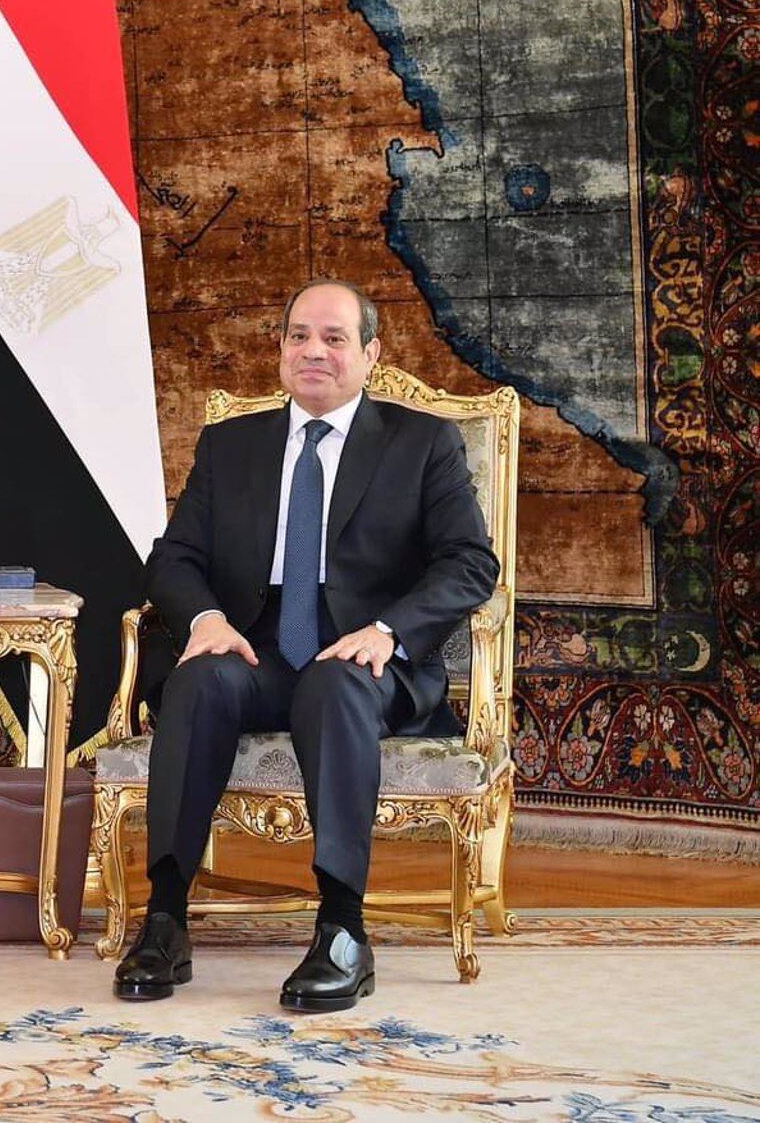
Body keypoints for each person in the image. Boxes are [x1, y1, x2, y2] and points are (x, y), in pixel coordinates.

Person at [113, 279, 498, 1011]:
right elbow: (174, 557)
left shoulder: (421, 443)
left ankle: (342, 931)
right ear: (281, 348)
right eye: (298, 336)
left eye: (333, 337)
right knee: (198, 680)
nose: (313, 350)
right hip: (255, 647)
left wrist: (388, 631)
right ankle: (164, 919)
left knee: (335, 683)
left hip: (365, 656)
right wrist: (203, 620)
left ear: (370, 353)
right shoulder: (232, 445)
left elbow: (470, 562)